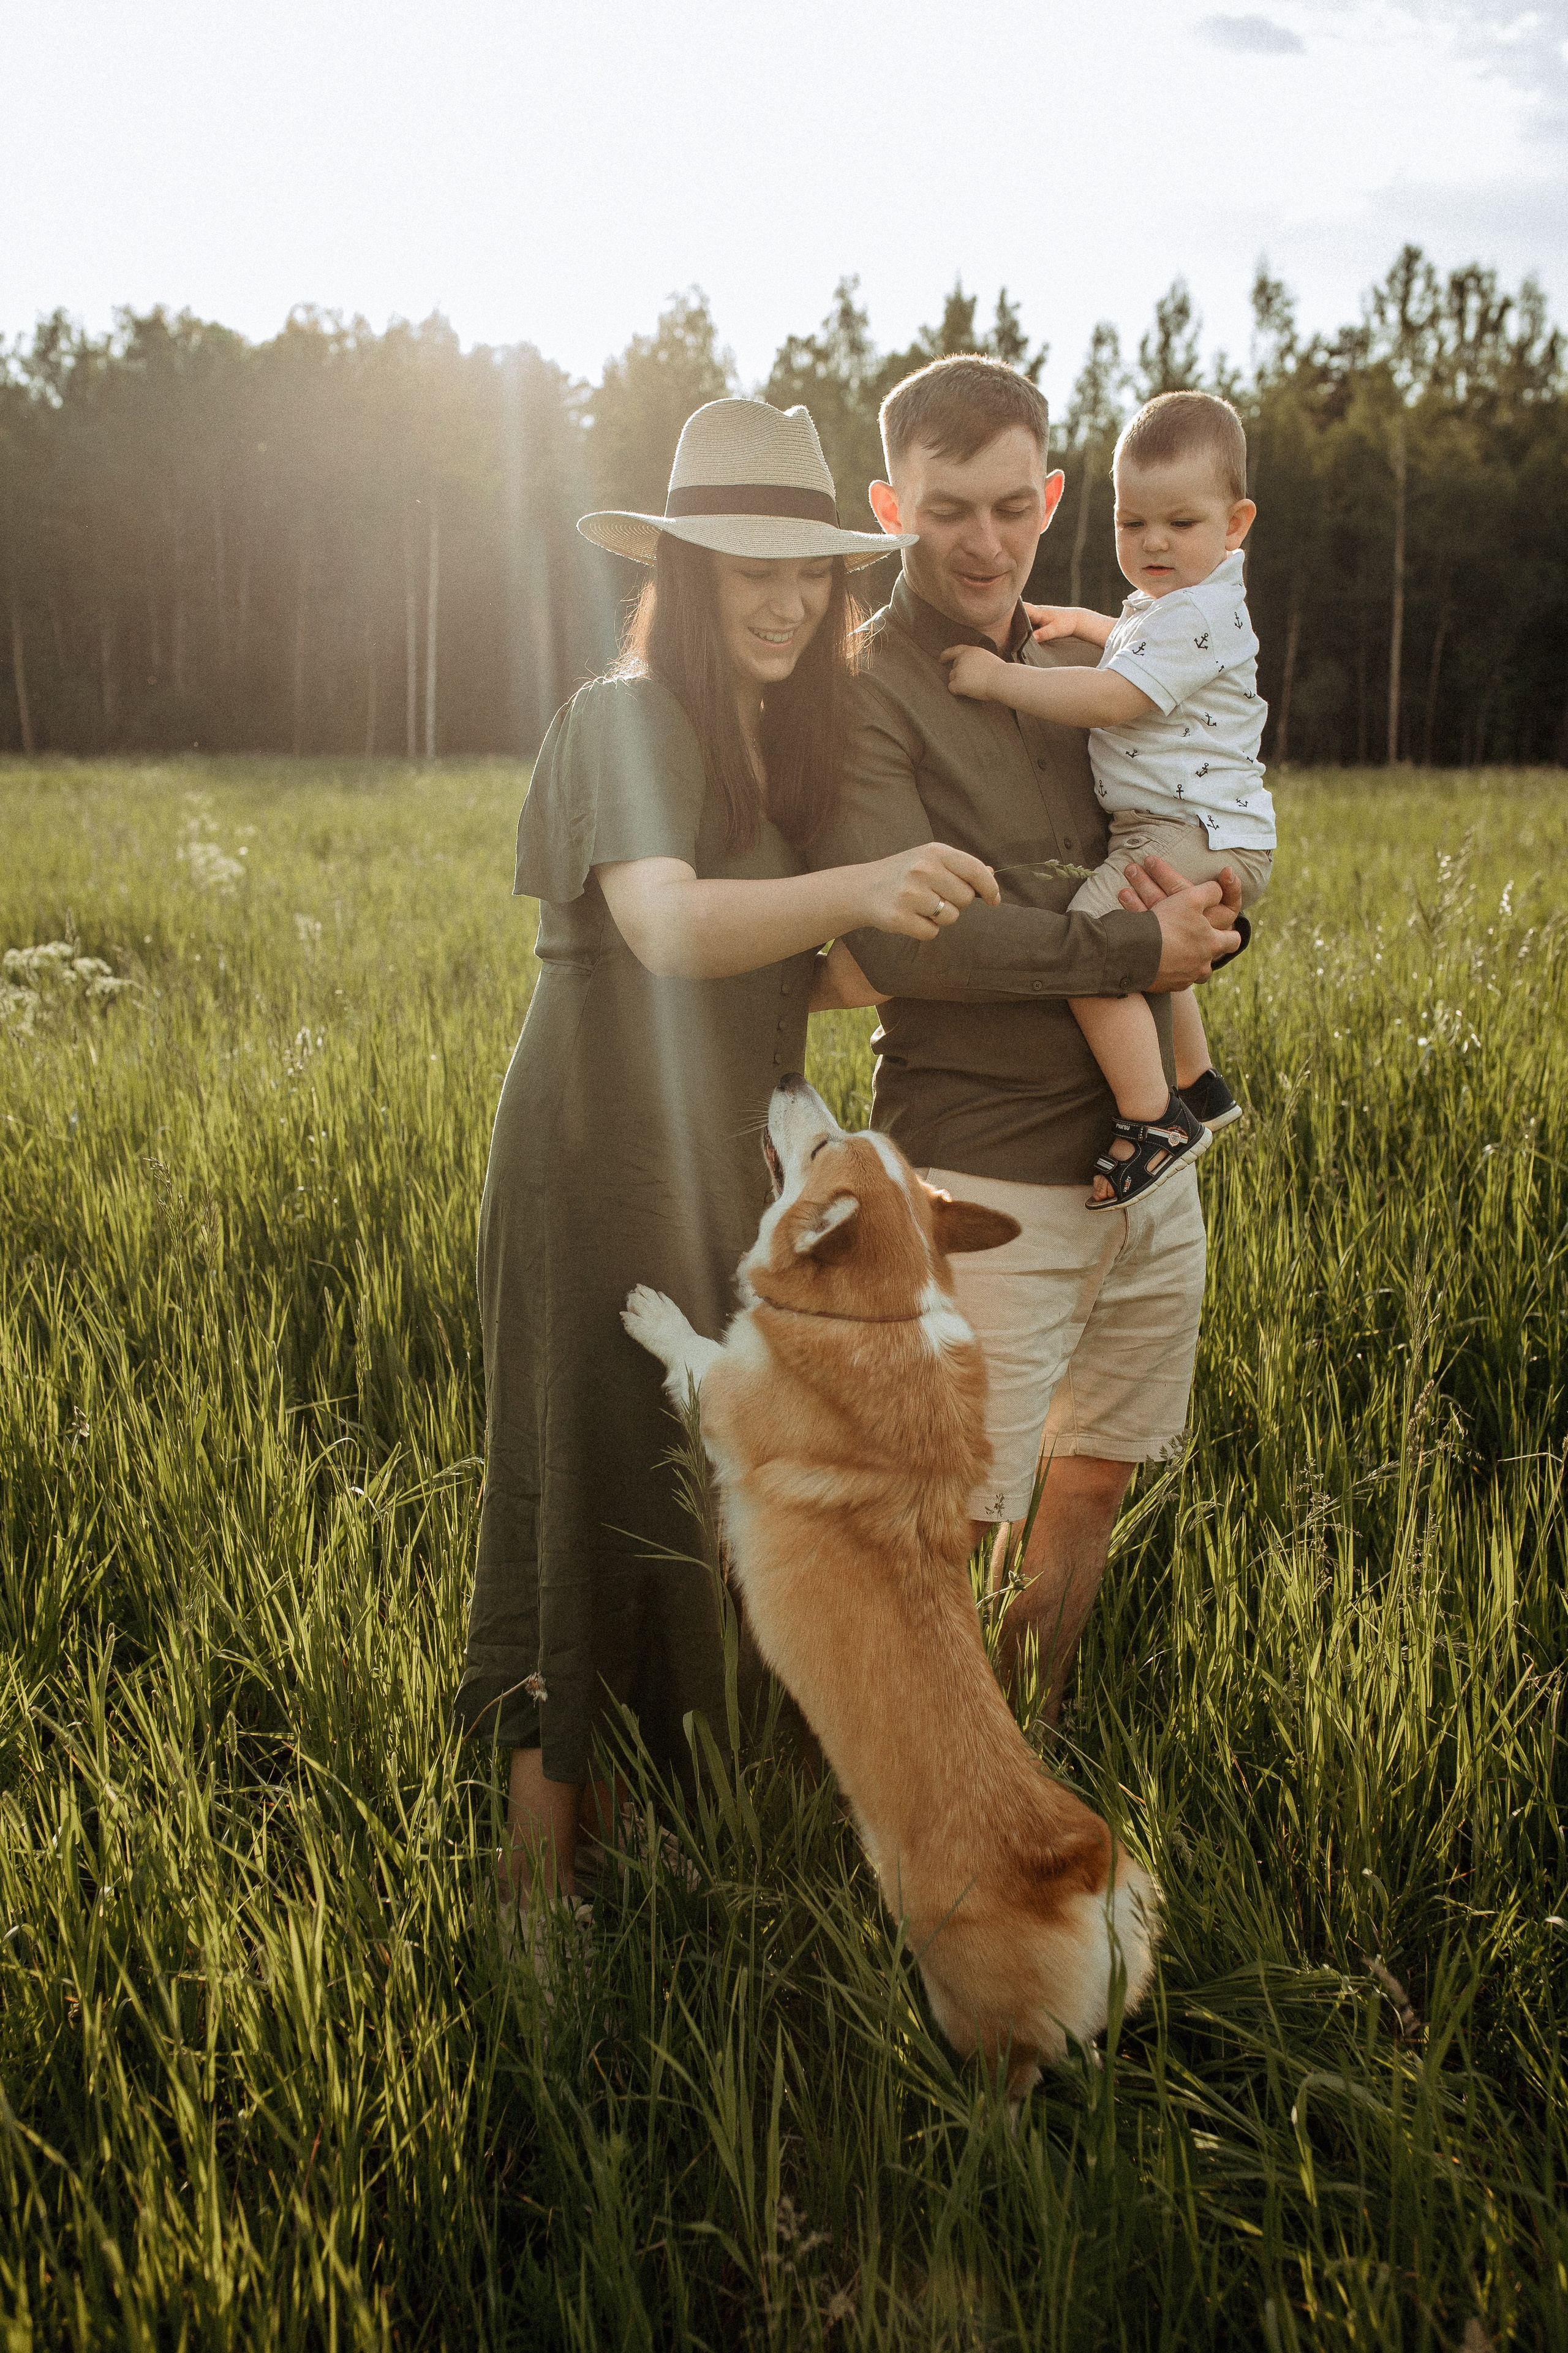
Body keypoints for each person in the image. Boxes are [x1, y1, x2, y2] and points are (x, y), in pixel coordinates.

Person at [454, 396, 998, 1921]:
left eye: (807, 573)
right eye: (738, 568)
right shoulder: (619, 717)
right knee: (578, 1500)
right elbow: (668, 928)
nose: (779, 599)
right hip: (591, 1166)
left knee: (693, 1502)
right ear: (679, 574)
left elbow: (785, 971)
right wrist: (862, 879)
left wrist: (957, 928)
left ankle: (636, 1854)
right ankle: (528, 1900)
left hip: (730, 1176)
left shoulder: (790, 746)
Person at [807, 355, 1244, 1716]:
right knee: (952, 1514)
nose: (985, 542)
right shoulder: (864, 687)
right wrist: (1128, 942)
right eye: (948, 511)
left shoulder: (1095, 656)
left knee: (1095, 1469)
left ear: (1052, 494)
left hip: (1143, 1162)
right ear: (892, 504)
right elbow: (901, 938)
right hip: (977, 1175)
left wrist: (1213, 910)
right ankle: (922, 1797)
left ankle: (1030, 1738)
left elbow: (1185, 836)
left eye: (1012, 505)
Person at [941, 390, 1276, 1209]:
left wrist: (999, 679)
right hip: (1183, 824)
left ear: (1235, 525)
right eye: (1133, 524)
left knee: (1098, 940)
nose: (1153, 543)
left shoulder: (1205, 615)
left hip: (1187, 827)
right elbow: (1136, 638)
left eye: (1181, 524)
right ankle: (1199, 1083)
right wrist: (1085, 621)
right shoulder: (1177, 604)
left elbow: (1116, 697)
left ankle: (1153, 1115)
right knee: (1154, 936)